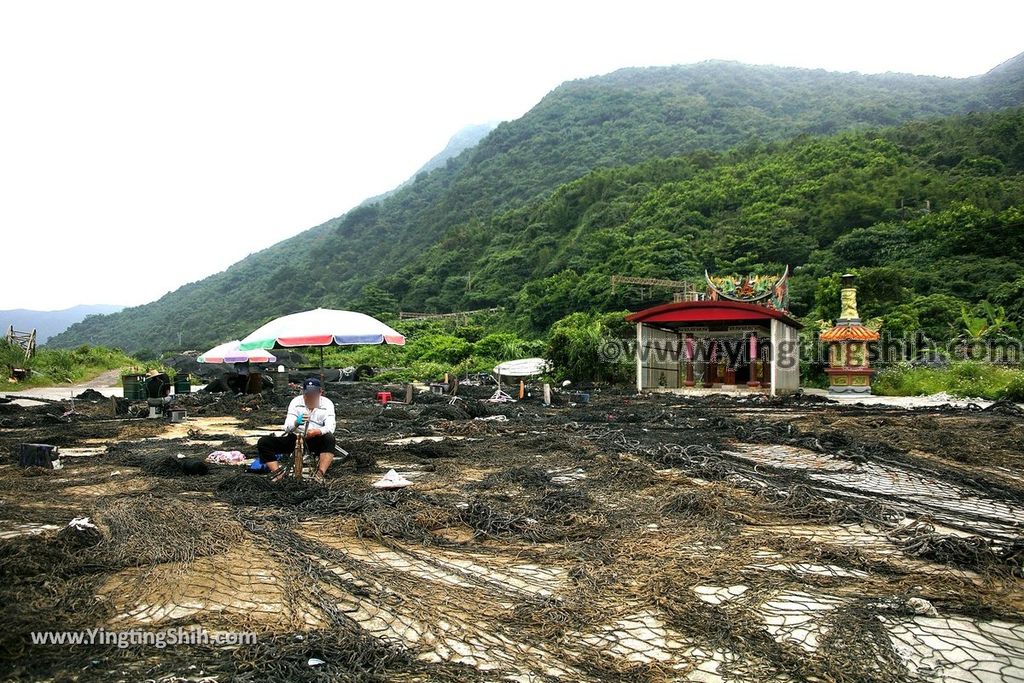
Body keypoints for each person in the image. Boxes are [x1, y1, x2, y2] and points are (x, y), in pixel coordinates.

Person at [256, 377, 336, 483]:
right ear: (303, 393)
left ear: (320, 392)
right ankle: (278, 473)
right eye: (308, 395)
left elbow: (330, 426)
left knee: (329, 438)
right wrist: (296, 423)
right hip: (295, 437)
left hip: (316, 438)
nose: (310, 397)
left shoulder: (327, 404)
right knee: (264, 442)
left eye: (314, 395)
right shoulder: (295, 402)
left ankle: (320, 474)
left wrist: (317, 431)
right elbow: (287, 427)